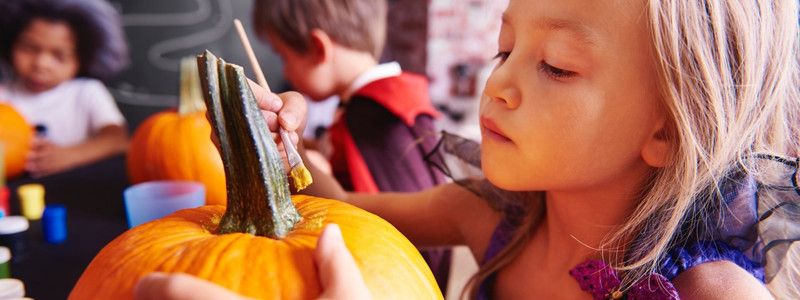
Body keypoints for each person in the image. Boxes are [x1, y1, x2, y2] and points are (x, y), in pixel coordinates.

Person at [137, 0, 799, 298]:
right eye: (504, 49)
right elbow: (337, 208)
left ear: (668, 129)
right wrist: (286, 149)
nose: (500, 83)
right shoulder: (484, 214)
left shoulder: (710, 292)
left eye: (558, 65)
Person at [252, 0, 451, 289]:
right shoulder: (393, 96)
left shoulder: (373, 118)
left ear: (318, 48)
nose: (286, 71)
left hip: (386, 280)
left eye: (284, 57)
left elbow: (366, 215)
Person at [0, 0, 129, 178]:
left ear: (82, 59)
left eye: (60, 56)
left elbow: (117, 140)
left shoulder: (88, 92)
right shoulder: (3, 95)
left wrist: (72, 155)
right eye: (29, 48)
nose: (41, 64)